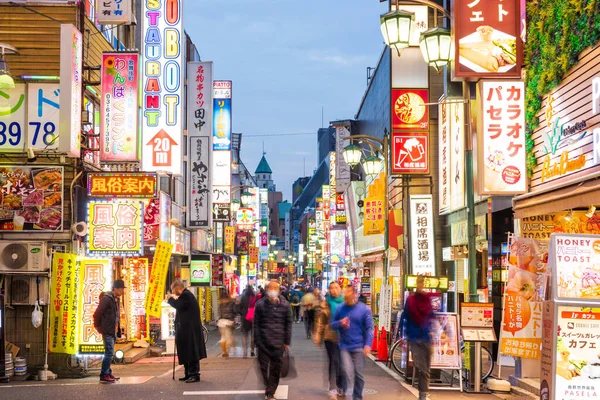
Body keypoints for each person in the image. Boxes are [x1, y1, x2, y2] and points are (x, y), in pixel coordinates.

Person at [332, 285, 374, 400]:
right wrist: (340, 323)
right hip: (344, 346)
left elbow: (370, 328)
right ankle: (346, 390)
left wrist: (368, 344)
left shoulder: (364, 309)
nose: (346, 294)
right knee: (346, 370)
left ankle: (357, 397)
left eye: (349, 292)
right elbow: (332, 324)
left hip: (359, 346)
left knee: (359, 374)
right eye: (346, 292)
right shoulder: (340, 308)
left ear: (355, 294)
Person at [254, 281, 292, 400]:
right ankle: (268, 386)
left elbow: (288, 324)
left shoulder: (285, 305)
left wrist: (286, 341)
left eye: (275, 288)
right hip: (263, 342)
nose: (272, 289)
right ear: (266, 289)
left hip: (278, 342)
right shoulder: (260, 304)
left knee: (275, 369)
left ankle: (270, 392)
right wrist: (257, 340)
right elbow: (256, 324)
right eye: (270, 287)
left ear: (279, 290)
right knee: (264, 368)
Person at [166, 279, 207, 383]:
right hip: (186, 330)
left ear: (177, 288)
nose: (174, 292)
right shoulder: (185, 295)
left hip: (190, 330)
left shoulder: (186, 295)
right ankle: (188, 373)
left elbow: (178, 305)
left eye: (173, 290)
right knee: (186, 351)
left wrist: (170, 299)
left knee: (191, 351)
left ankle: (194, 374)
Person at [402, 275, 434, 400]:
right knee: (421, 367)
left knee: (426, 369)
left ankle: (423, 394)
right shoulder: (410, 300)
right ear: (416, 284)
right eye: (419, 283)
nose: (421, 285)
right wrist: (403, 334)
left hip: (426, 337)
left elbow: (432, 315)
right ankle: (422, 395)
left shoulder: (427, 299)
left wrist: (445, 330)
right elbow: (405, 316)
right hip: (414, 338)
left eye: (423, 283)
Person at [314, 281, 346, 400]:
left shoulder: (346, 302)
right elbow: (320, 320)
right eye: (331, 288)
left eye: (336, 287)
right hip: (330, 336)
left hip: (345, 337)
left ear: (340, 289)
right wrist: (317, 335)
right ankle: (332, 387)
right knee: (334, 362)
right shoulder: (325, 303)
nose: (334, 290)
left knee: (343, 363)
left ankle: (341, 386)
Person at [93, 279, 125, 383]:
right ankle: (104, 374)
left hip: (112, 330)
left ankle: (108, 373)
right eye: (121, 289)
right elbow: (97, 313)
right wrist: (97, 326)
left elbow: (115, 317)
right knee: (109, 353)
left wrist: (118, 331)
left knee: (110, 353)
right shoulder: (107, 299)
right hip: (107, 330)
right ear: (115, 288)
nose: (123, 291)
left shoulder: (115, 299)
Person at [240, 285, 258, 358]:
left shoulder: (243, 297)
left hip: (245, 317)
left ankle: (244, 352)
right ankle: (252, 351)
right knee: (252, 335)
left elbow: (240, 307)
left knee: (245, 335)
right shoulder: (254, 297)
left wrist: (243, 312)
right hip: (253, 317)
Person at [218, 290, 236, 358]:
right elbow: (234, 311)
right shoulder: (231, 303)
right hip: (228, 322)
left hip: (223, 322)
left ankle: (224, 351)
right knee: (227, 338)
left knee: (224, 337)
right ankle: (225, 351)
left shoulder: (221, 304)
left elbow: (219, 313)